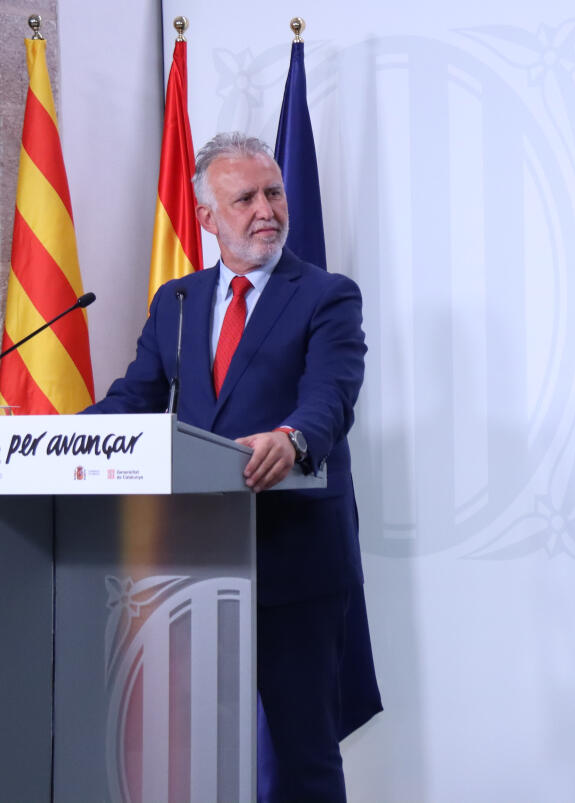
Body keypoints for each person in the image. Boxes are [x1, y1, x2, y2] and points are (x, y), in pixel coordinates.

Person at [86, 132, 376, 801]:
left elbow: (330, 395)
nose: (265, 209)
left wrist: (294, 438)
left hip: (296, 558)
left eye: (272, 192)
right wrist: (55, 443)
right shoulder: (177, 302)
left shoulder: (327, 295)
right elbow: (135, 401)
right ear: (208, 217)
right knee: (190, 753)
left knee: (304, 756)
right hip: (193, 561)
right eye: (244, 198)